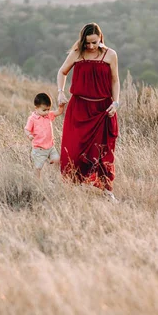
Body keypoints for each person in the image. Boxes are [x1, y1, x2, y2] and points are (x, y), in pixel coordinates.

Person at [56, 22, 120, 201]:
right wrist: (60, 93)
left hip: (102, 109)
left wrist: (116, 103)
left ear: (100, 38)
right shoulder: (77, 53)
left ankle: (107, 192)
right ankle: (73, 190)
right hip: (79, 109)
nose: (90, 46)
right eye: (87, 43)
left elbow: (115, 80)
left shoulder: (110, 55)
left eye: (94, 42)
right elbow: (62, 72)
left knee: (102, 152)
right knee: (74, 151)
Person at [24, 92, 65, 179]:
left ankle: (52, 177)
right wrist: (29, 135)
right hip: (39, 149)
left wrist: (61, 106)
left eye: (48, 109)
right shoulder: (32, 119)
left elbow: (59, 112)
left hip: (50, 147)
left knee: (57, 160)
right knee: (38, 168)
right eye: (44, 110)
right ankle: (37, 182)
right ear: (36, 108)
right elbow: (27, 129)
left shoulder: (48, 115)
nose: (47, 112)